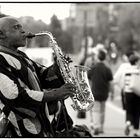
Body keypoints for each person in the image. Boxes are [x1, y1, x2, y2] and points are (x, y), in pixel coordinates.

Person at [0, 16, 76, 137]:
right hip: (17, 131)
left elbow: (41, 75)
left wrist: (57, 67)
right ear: (1, 34)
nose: (23, 31)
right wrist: (55, 94)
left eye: (21, 26)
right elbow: (13, 95)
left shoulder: (20, 55)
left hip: (40, 126)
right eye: (16, 27)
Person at [88, 49, 114, 135]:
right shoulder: (107, 69)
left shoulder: (93, 68)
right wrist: (112, 93)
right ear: (105, 58)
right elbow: (111, 83)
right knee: (102, 110)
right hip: (104, 93)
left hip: (95, 92)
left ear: (97, 57)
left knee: (95, 110)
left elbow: (89, 80)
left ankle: (96, 126)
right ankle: (101, 128)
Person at [123, 53, 140, 137]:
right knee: (137, 111)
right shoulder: (138, 71)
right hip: (137, 93)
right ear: (136, 61)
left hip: (127, 92)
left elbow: (123, 82)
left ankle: (128, 123)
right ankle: (136, 131)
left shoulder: (126, 70)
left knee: (129, 110)